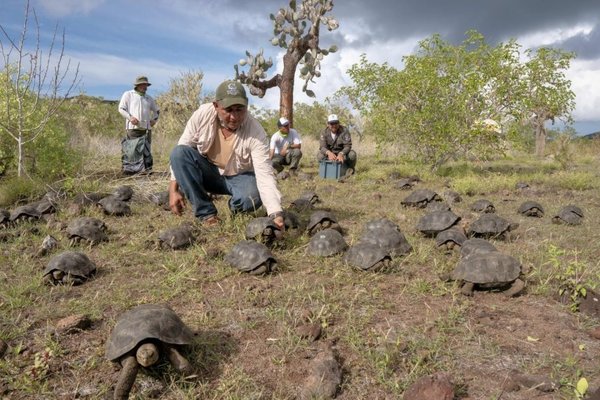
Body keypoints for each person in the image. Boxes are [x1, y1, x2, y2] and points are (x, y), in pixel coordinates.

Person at [168, 80, 285, 229]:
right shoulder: (203, 114)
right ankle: (207, 215)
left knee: (252, 196)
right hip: (208, 172)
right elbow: (182, 149)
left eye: (239, 109)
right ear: (216, 106)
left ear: (247, 105)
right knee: (179, 153)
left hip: (239, 176)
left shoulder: (256, 132)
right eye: (228, 110)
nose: (234, 117)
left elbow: (265, 174)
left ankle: (236, 210)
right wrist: (173, 190)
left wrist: (276, 214)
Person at [118, 75, 160, 174]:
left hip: (146, 129)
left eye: (146, 85)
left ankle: (147, 170)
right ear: (137, 85)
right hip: (133, 128)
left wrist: (154, 120)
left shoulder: (149, 98)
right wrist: (130, 118)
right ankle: (129, 171)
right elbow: (121, 108)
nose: (145, 87)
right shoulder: (128, 94)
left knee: (146, 150)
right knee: (131, 149)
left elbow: (157, 111)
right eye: (142, 84)